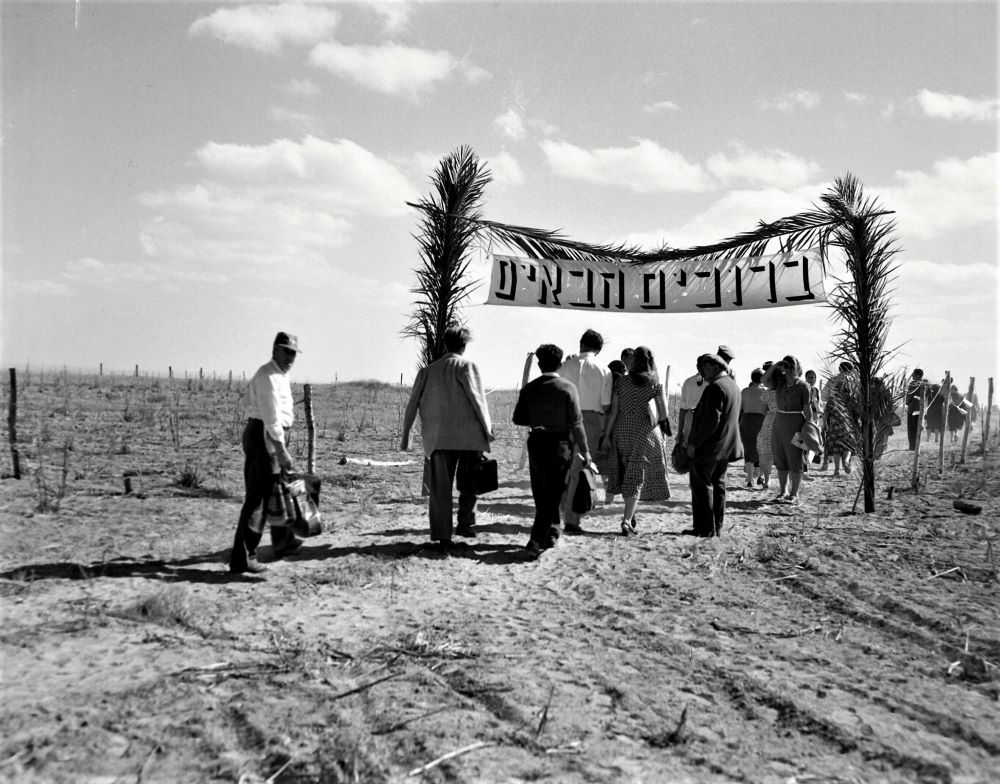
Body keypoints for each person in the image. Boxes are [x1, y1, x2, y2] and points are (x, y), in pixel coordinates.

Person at [400, 326, 493, 550]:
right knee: (470, 484)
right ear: (464, 345)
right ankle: (465, 523)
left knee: (440, 488)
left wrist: (406, 437)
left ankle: (443, 534)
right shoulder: (467, 366)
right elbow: (478, 400)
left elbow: (412, 405)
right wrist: (488, 431)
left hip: (438, 438)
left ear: (445, 344)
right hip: (469, 437)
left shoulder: (427, 371)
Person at [230, 331, 303, 575]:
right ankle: (243, 558)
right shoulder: (268, 376)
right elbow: (271, 420)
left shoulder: (280, 375)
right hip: (265, 437)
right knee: (257, 499)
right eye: (286, 351)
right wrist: (281, 451)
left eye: (293, 352)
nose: (290, 357)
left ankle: (284, 543)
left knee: (277, 489)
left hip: (270, 435)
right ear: (275, 349)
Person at [512, 344, 591, 555]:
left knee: (541, 490)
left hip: (537, 442)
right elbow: (576, 423)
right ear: (560, 363)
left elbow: (518, 418)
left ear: (539, 364)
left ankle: (552, 532)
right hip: (560, 445)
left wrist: (538, 418)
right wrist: (586, 451)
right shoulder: (567, 388)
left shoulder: (530, 388)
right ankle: (536, 540)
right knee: (555, 493)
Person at [601, 346, 671, 536]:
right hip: (645, 433)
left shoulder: (621, 382)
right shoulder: (655, 384)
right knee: (636, 476)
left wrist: (607, 435)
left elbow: (614, 411)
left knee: (627, 474)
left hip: (622, 431)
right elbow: (663, 414)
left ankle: (630, 516)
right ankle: (626, 520)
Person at [558, 329, 613, 532]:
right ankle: (572, 519)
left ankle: (563, 510)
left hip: (564, 418)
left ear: (581, 344)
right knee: (580, 466)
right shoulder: (603, 369)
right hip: (589, 419)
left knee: (565, 465)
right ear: (598, 349)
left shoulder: (565, 366)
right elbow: (605, 405)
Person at [685, 352, 743, 537]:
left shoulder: (715, 388)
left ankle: (705, 528)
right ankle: (716, 526)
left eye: (705, 367)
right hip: (726, 445)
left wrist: (694, 443)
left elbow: (711, 421)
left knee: (701, 485)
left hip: (710, 447)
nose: (702, 370)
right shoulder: (732, 386)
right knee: (718, 485)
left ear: (716, 367)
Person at [764, 355, 813, 504]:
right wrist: (776, 365)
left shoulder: (804, 386)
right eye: (786, 367)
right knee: (780, 458)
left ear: (797, 368)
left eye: (792, 367)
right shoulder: (779, 382)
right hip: (779, 423)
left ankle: (794, 493)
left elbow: (808, 410)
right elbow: (764, 380)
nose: (789, 370)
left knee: (795, 459)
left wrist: (809, 431)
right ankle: (783, 491)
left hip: (796, 424)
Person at [678, 345, 734, 443]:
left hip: (690, 419)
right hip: (708, 421)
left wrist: (679, 432)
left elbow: (683, 410)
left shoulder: (688, 382)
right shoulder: (717, 383)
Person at [822, 361, 857, 476]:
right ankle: (846, 461)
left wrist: (824, 423)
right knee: (847, 444)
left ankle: (836, 469)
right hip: (848, 422)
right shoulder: (852, 384)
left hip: (835, 422)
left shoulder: (833, 382)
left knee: (836, 446)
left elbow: (824, 399)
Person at [739, 368, 768, 488]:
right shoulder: (765, 391)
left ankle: (750, 480)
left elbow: (741, 408)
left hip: (746, 420)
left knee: (749, 449)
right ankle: (760, 477)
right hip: (761, 420)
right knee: (762, 450)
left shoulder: (744, 391)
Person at [756, 361, 777, 489]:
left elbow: (764, 410)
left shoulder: (767, 393)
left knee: (766, 450)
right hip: (783, 419)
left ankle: (766, 479)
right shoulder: (784, 390)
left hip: (769, 420)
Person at [905, 369, 928, 450]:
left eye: (913, 374)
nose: (912, 376)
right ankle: (916, 446)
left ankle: (912, 446)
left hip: (912, 408)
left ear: (918, 375)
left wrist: (907, 403)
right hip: (921, 409)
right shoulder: (924, 384)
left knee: (911, 428)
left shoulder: (913, 384)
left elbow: (909, 396)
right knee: (918, 428)